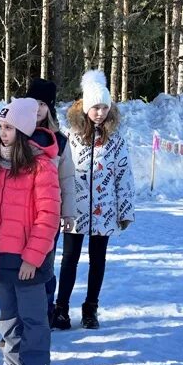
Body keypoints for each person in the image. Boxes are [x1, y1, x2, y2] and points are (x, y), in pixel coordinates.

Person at [0, 98, 60, 365]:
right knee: (8, 316)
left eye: (9, 128)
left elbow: (48, 218)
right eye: (0, 127)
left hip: (29, 260)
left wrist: (33, 258)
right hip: (3, 256)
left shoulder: (42, 168)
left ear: (23, 130)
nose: (3, 133)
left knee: (33, 319)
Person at [54, 69, 135, 330]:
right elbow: (60, 173)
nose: (100, 112)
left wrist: (125, 210)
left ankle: (90, 308)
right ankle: (61, 309)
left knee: (97, 260)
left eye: (104, 107)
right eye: (95, 107)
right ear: (85, 108)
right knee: (69, 258)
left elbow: (124, 175)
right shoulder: (70, 137)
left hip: (104, 209)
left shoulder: (116, 140)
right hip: (74, 210)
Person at [25, 77, 77, 329]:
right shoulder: (15, 134)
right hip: (19, 216)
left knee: (44, 266)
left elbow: (66, 178)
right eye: (33, 102)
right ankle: (18, 321)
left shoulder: (60, 141)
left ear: (50, 107)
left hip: (48, 216)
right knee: (19, 267)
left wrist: (68, 213)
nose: (37, 109)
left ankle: (45, 315)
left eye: (42, 104)